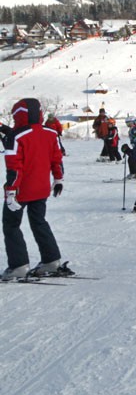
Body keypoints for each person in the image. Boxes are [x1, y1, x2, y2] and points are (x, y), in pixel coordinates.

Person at [2, 98, 66, 281]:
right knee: (39, 221)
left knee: (11, 224)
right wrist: (58, 179)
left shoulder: (16, 136)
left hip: (21, 191)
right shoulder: (51, 133)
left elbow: (14, 168)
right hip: (41, 188)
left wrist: (11, 192)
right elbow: (56, 158)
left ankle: (18, 266)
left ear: (19, 115)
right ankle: (51, 261)